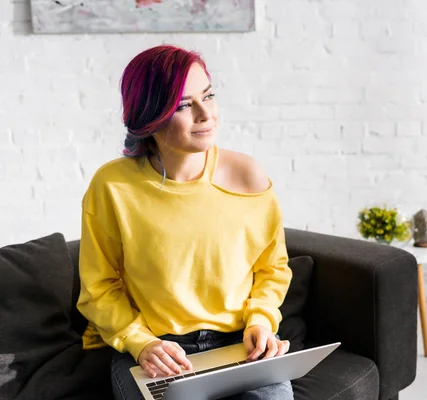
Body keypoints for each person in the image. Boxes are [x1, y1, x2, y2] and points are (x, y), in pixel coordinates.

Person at [76, 44, 294, 400]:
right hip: (158, 350)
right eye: (184, 104)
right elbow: (98, 287)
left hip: (239, 343)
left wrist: (261, 321)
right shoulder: (112, 186)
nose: (206, 114)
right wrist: (140, 342)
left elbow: (272, 267)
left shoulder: (248, 175)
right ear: (151, 116)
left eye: (208, 95)